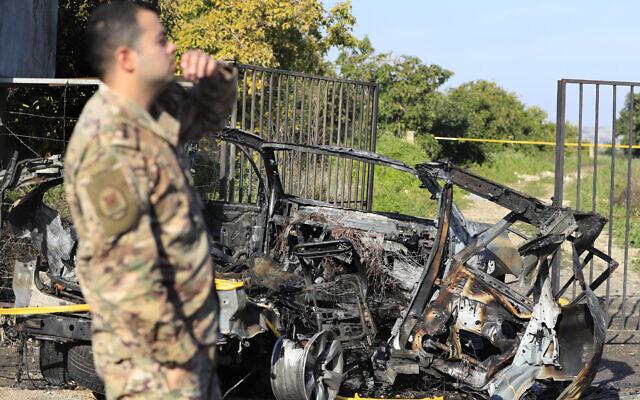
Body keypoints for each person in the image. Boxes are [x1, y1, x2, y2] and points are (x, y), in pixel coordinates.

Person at [63, 1, 235, 399]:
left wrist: (214, 77)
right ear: (126, 58)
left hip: (186, 351)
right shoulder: (106, 142)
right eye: (160, 40)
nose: (173, 47)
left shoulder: (154, 114)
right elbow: (124, 271)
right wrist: (174, 362)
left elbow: (210, 117)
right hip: (153, 365)